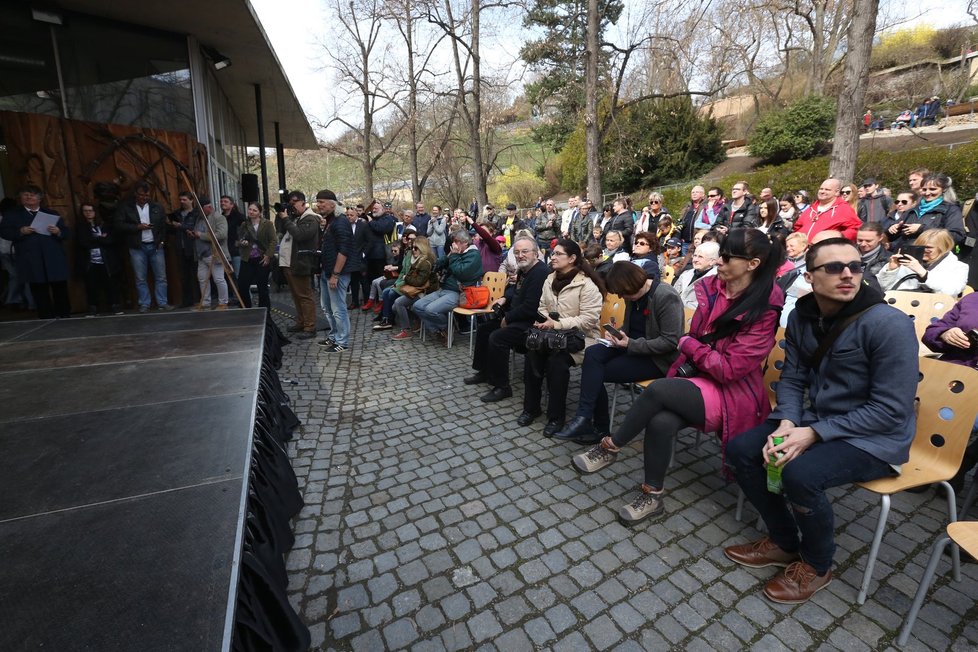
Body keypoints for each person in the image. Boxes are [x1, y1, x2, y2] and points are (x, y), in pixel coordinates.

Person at [723, 237, 918, 605]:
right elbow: (794, 378)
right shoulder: (802, 316)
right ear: (810, 277)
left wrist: (812, 432)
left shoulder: (888, 325)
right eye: (833, 267)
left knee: (801, 475)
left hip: (875, 438)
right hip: (816, 420)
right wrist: (787, 421)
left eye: (855, 266)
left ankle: (817, 564)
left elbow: (891, 410)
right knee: (742, 449)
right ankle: (783, 541)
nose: (847, 274)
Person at [572, 228, 785, 525]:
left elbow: (728, 368)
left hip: (733, 392)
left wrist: (688, 344)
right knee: (660, 422)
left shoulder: (764, 308)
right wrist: (691, 345)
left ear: (753, 263)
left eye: (726, 257)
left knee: (657, 391)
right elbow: (697, 339)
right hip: (699, 375)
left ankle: (610, 446)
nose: (718, 263)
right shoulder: (712, 289)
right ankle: (652, 495)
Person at [554, 261, 683, 444]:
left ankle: (598, 427)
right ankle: (584, 418)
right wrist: (617, 334)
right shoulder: (634, 295)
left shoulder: (665, 296)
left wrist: (629, 343)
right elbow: (633, 328)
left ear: (632, 284)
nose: (622, 297)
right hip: (630, 347)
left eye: (623, 293)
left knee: (595, 373)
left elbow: (671, 342)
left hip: (656, 359)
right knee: (592, 354)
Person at [520, 239, 604, 435]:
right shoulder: (550, 280)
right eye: (553, 253)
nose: (553, 257)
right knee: (532, 353)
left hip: (581, 339)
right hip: (551, 334)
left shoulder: (587, 285)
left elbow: (589, 320)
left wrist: (558, 324)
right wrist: (546, 321)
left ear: (572, 258)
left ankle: (556, 417)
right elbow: (541, 306)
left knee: (557, 362)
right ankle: (531, 408)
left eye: (558, 254)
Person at [465, 235, 549, 399]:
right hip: (518, 316)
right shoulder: (524, 270)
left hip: (532, 323)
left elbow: (531, 307)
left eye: (525, 251)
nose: (520, 255)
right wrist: (505, 297)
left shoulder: (540, 273)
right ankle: (485, 371)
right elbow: (515, 291)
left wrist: (508, 318)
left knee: (498, 337)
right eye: (517, 252)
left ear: (536, 253)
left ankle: (502, 386)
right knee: (484, 329)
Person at [0, 185, 71, 319]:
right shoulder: (12, 214)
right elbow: (4, 232)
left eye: (32, 195)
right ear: (20, 198)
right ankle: (46, 316)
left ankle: (64, 314)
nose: (29, 197)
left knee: (59, 286)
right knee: (39, 288)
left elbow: (66, 232)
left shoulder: (51, 213)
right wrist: (20, 231)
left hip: (53, 255)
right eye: (25, 195)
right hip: (30, 256)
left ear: (39, 198)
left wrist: (58, 232)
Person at [412, 228, 483, 338]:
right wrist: (449, 255)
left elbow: (461, 273)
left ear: (465, 242)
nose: (453, 244)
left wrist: (454, 256)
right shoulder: (456, 253)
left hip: (458, 293)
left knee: (430, 310)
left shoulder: (473, 255)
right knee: (417, 306)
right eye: (453, 242)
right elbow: (437, 265)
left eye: (456, 242)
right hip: (443, 289)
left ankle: (445, 329)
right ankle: (440, 329)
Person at [114, 181, 172, 312]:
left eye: (147, 195)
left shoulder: (157, 207)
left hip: (156, 245)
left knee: (161, 276)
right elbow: (118, 225)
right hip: (137, 246)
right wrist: (137, 227)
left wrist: (162, 241)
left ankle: (162, 302)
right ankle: (144, 303)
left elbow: (163, 226)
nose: (144, 198)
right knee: (140, 277)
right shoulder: (126, 207)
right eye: (141, 195)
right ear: (135, 194)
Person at [315, 190, 354, 353]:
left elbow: (344, 250)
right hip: (327, 272)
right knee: (327, 307)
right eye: (317, 202)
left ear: (332, 203)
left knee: (338, 308)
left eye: (322, 202)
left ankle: (342, 341)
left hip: (337, 273)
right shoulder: (331, 221)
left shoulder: (341, 221)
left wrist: (335, 275)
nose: (318, 205)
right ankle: (334, 336)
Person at [877, 228, 968, 296]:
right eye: (920, 247)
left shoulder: (959, 267)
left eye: (928, 248)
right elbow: (884, 288)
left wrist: (924, 275)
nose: (923, 251)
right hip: (900, 306)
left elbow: (951, 292)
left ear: (943, 248)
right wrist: (891, 270)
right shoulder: (906, 263)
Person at [278, 191, 320, 338]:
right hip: (290, 262)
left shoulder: (311, 219)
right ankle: (302, 321)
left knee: (304, 296)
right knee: (296, 295)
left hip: (301, 262)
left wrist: (286, 220)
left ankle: (310, 327)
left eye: (294, 202)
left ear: (303, 202)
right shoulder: (296, 218)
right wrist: (284, 218)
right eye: (290, 203)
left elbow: (300, 235)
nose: (292, 206)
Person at [888, 173, 964, 248]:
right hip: (906, 254)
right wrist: (894, 228)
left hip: (931, 256)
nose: (927, 193)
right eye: (924, 189)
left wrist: (922, 229)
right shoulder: (914, 209)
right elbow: (895, 236)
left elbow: (956, 236)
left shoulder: (951, 209)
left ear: (944, 189)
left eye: (932, 189)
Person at [384, 237, 437, 340]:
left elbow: (418, 282)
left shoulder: (425, 262)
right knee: (395, 305)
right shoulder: (418, 259)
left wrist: (406, 278)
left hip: (424, 292)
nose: (413, 250)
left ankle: (406, 330)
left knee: (398, 303)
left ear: (422, 248)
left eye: (415, 248)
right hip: (416, 289)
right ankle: (416, 320)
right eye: (412, 247)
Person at [76, 202, 122, 315]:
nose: (88, 213)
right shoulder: (80, 226)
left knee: (110, 284)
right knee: (91, 285)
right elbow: (84, 242)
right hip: (90, 261)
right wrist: (100, 239)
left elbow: (111, 240)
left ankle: (114, 305)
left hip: (106, 260)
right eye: (85, 211)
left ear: (95, 212)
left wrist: (95, 239)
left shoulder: (104, 225)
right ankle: (93, 307)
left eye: (90, 210)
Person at [235, 202, 277, 310]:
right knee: (242, 285)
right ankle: (246, 307)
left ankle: (264, 309)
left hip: (262, 258)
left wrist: (268, 255)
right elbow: (239, 240)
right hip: (247, 258)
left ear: (259, 212)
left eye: (254, 210)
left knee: (262, 286)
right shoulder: (244, 224)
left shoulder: (267, 224)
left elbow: (273, 240)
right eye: (250, 209)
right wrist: (242, 242)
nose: (251, 212)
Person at [792, 178, 862, 241]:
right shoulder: (811, 208)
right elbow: (797, 227)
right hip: (804, 251)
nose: (822, 191)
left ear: (837, 192)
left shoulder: (843, 209)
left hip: (827, 251)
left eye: (827, 190)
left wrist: (838, 237)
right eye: (821, 189)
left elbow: (856, 228)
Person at [192, 196, 230, 310]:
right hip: (201, 255)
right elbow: (198, 232)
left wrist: (201, 235)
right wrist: (194, 234)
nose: (199, 211)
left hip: (214, 254)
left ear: (208, 207)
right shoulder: (200, 218)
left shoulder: (219, 218)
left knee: (218, 279)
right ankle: (205, 302)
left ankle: (223, 303)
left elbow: (221, 235)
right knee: (202, 279)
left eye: (201, 209)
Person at [166, 191, 203, 308]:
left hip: (193, 247)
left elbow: (195, 229)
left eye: (184, 200)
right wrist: (170, 224)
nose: (182, 202)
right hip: (180, 246)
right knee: (184, 275)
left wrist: (180, 226)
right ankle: (187, 300)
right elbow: (171, 230)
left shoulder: (197, 214)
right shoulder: (177, 213)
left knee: (196, 274)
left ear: (191, 200)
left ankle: (199, 299)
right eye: (180, 200)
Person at [361, 199, 397, 310]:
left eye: (376, 208)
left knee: (380, 280)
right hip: (369, 254)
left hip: (381, 255)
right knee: (369, 279)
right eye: (373, 209)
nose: (374, 210)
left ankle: (381, 302)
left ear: (383, 210)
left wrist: (371, 221)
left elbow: (381, 228)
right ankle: (373, 300)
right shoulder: (369, 219)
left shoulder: (388, 219)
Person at [673, 241, 720, 308]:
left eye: (700, 257)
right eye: (695, 255)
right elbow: (673, 294)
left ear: (712, 261)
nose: (695, 259)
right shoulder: (686, 274)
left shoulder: (716, 280)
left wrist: (679, 302)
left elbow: (704, 307)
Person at [347, 205, 369, 309]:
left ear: (356, 215)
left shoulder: (363, 225)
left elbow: (369, 241)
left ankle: (366, 301)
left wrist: (364, 253)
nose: (349, 217)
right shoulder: (345, 226)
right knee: (353, 282)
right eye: (347, 215)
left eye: (351, 215)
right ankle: (354, 302)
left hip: (361, 258)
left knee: (364, 281)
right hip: (350, 259)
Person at [220, 195, 245, 279]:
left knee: (238, 275)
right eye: (221, 201)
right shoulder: (220, 217)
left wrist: (240, 241)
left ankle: (242, 292)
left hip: (236, 250)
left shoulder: (239, 217)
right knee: (227, 276)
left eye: (225, 201)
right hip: (224, 250)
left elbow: (247, 230)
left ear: (232, 205)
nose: (223, 203)